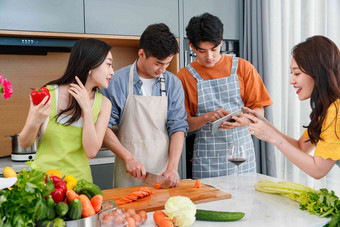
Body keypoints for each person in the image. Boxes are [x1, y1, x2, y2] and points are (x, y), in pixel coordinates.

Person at [176, 13, 273, 179]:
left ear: (221, 40)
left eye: (214, 49)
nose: (209, 57)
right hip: (207, 159)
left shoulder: (243, 68)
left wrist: (246, 120)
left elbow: (259, 109)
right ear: (192, 46)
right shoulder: (184, 77)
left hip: (242, 154)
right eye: (202, 51)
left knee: (245, 201)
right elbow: (184, 125)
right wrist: (206, 117)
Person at [102, 23, 188, 188]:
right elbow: (103, 128)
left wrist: (172, 168)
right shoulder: (117, 81)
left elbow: (178, 127)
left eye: (167, 63)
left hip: (164, 173)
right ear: (141, 54)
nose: (163, 69)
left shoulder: (173, 83)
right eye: (158, 63)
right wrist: (128, 158)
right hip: (128, 171)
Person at [245, 35, 340, 179]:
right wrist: (266, 125)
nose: (291, 80)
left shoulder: (336, 111)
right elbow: (302, 147)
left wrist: (272, 137)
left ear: (318, 73)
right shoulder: (327, 109)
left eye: (297, 73)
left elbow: (318, 170)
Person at [19, 38, 113, 182]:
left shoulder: (104, 104)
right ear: (90, 64)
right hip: (43, 184)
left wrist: (87, 110)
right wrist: (34, 122)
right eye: (108, 64)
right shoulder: (47, 94)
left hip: (79, 187)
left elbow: (91, 151)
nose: (112, 72)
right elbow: (24, 143)